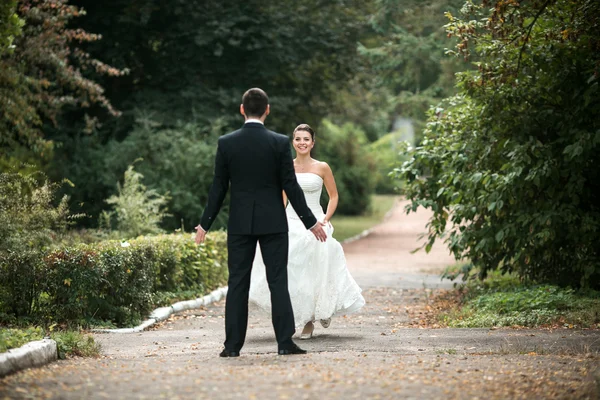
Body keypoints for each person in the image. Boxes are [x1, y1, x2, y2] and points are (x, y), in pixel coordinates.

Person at [195, 89, 328, 357]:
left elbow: (218, 188)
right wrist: (311, 222)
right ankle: (284, 343)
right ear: (267, 109)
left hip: (240, 224)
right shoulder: (278, 143)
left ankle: (231, 347)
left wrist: (204, 224)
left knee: (237, 283)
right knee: (278, 281)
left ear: (242, 110)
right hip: (273, 223)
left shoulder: (226, 142)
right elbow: (290, 186)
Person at [249, 124, 365, 339]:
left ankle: (314, 316)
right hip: (291, 220)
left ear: (313, 143)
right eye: (298, 139)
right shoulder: (285, 166)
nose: (302, 142)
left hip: (316, 220)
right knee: (290, 269)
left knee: (316, 267)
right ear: (293, 142)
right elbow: (282, 197)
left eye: (306, 139)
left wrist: (325, 220)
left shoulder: (322, 167)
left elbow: (334, 196)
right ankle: (301, 313)